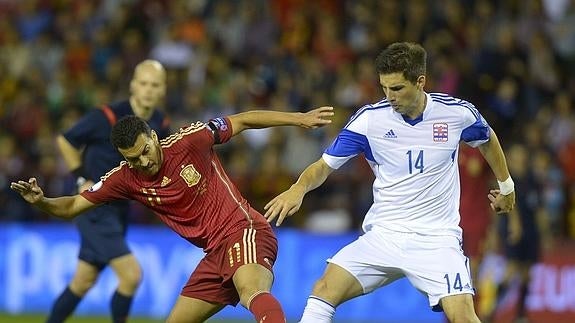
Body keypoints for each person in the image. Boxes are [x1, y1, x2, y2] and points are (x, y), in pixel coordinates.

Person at [264, 42, 516, 323]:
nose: (389, 96)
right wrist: (298, 188)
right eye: (384, 87)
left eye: (396, 88)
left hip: (436, 240)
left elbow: (487, 139)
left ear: (420, 82)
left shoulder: (456, 114)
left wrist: (507, 187)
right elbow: (323, 166)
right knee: (323, 289)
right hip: (383, 235)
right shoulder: (370, 121)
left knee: (464, 316)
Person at [11, 105, 334, 323]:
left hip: (243, 230)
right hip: (214, 254)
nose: (143, 162)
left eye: (145, 151)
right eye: (133, 158)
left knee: (252, 292)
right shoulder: (125, 177)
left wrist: (299, 118)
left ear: (153, 137)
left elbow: (243, 120)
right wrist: (41, 200)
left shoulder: (190, 140)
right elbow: (72, 206)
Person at [50, 59, 171, 323]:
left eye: (155, 85)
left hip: (120, 210)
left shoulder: (161, 123)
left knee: (83, 281)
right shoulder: (107, 116)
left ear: (163, 90)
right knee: (131, 275)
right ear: (132, 85)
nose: (148, 90)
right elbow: (66, 140)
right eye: (143, 83)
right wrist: (82, 177)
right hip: (94, 206)